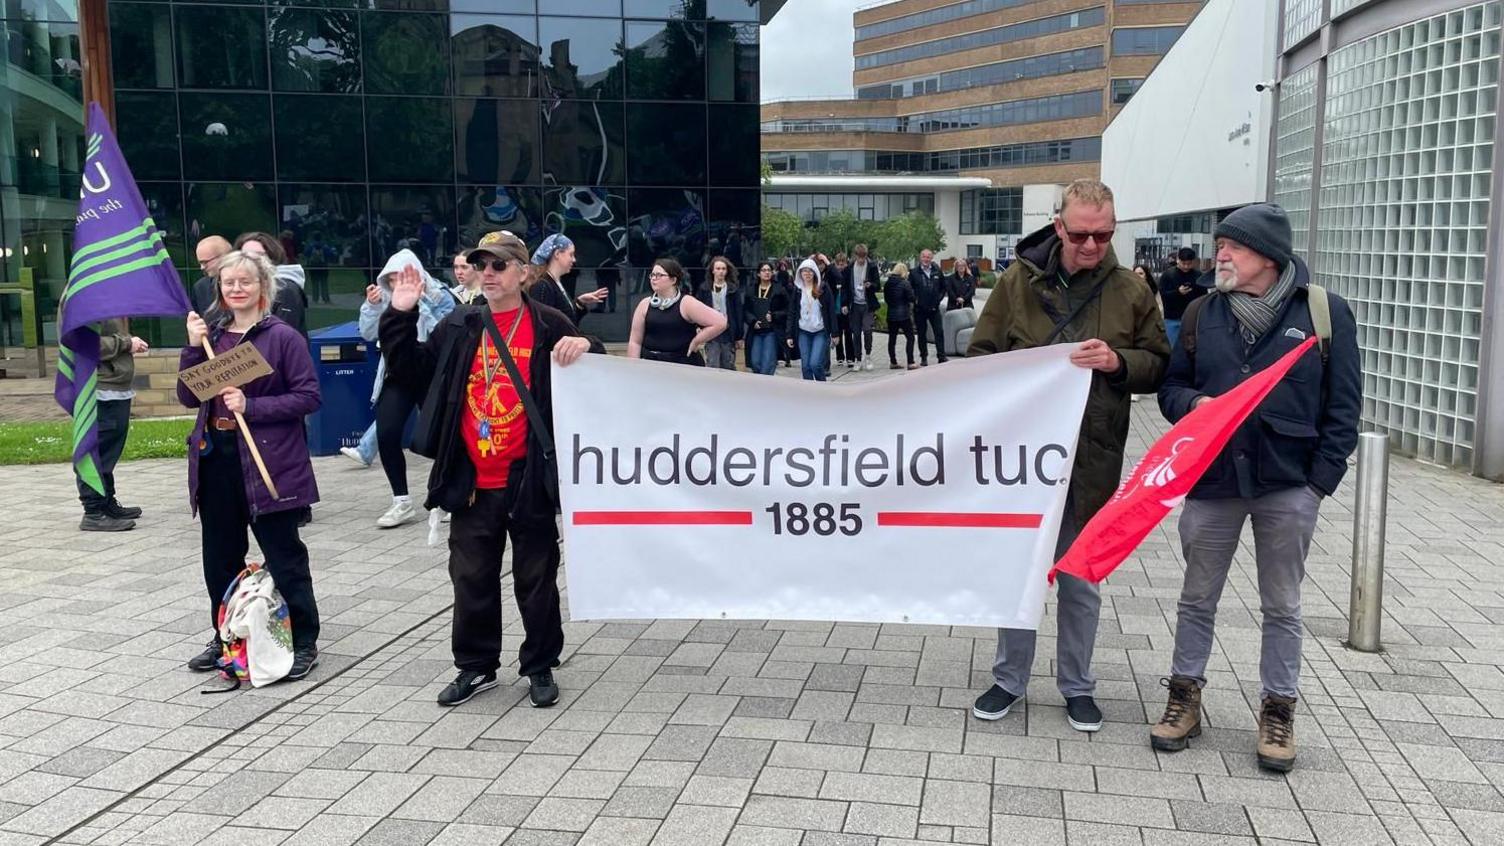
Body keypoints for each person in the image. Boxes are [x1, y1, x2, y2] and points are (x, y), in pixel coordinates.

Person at [1152, 203, 1360, 772]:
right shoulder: (1201, 314)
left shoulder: (1324, 314)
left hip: (1287, 484)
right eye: (1220, 245)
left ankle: (1278, 711)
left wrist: (1318, 485)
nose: (1221, 254)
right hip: (1214, 482)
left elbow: (1343, 411)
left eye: (1234, 247)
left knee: (1282, 605)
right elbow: (1172, 389)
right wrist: (1193, 404)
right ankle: (1184, 699)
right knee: (1196, 598)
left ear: (1268, 257)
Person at [966, 179, 1170, 732]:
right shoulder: (1017, 283)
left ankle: (1077, 685)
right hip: (1025, 463)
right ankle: (1009, 679)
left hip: (1092, 458)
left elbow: (1159, 363)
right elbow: (980, 357)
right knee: (1021, 575)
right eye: (1080, 234)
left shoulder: (1129, 290)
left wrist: (1118, 361)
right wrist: (1036, 368)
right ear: (1059, 226)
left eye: (1103, 235)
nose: (1091, 246)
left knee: (1081, 579)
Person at [378, 231, 594, 708]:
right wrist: (400, 314)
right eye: (483, 265)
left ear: (523, 272)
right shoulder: (460, 324)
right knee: (471, 577)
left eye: (500, 265)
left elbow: (591, 369)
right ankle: (476, 666)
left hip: (527, 477)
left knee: (536, 578)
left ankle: (539, 664)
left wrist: (583, 342)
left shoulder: (547, 322)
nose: (490, 274)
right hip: (471, 477)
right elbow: (411, 370)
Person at [179, 251, 322, 681]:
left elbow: (309, 396)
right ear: (218, 290)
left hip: (268, 462)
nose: (236, 288)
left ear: (263, 286)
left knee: (283, 554)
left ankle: (303, 640)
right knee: (220, 557)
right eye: (228, 282)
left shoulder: (282, 338)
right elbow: (190, 397)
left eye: (245, 281)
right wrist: (190, 348)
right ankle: (227, 637)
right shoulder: (213, 337)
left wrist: (252, 405)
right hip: (216, 458)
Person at [342, 250, 456, 530]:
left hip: (431, 371)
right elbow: (368, 334)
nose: (397, 285)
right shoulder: (384, 298)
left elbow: (447, 332)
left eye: (402, 278)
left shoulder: (440, 295)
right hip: (397, 371)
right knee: (388, 433)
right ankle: (401, 500)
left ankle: (447, 493)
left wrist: (419, 303)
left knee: (442, 433)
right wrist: (372, 307)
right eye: (391, 279)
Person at [74, 319, 148, 532]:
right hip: (99, 387)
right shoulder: (85, 297)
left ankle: (106, 502)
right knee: (98, 450)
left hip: (113, 386)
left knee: (109, 450)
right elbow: (82, 343)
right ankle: (93, 512)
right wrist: (126, 343)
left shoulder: (104, 295)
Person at [628, 258, 727, 365]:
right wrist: (633, 367)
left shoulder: (686, 303)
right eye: (652, 275)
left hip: (682, 364)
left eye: (659, 275)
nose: (653, 279)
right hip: (652, 363)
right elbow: (635, 342)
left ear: (673, 280)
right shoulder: (644, 304)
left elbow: (720, 322)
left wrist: (697, 341)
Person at [525, 233, 608, 327]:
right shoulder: (542, 286)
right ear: (557, 254)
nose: (574, 260)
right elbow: (543, 326)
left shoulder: (554, 283)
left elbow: (567, 320)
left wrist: (580, 303)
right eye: (571, 254)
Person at [235, 232, 309, 337]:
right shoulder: (246, 288)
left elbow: (284, 338)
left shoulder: (284, 289)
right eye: (245, 255)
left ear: (272, 256)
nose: (252, 260)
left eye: (259, 255)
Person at [786, 257, 836, 381]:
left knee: (815, 364)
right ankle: (809, 393)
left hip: (820, 331)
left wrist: (835, 333)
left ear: (814, 272)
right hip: (803, 332)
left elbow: (831, 311)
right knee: (806, 366)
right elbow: (792, 313)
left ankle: (821, 388)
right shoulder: (797, 290)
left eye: (810, 271)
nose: (807, 274)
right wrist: (789, 335)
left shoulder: (822, 288)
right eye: (804, 271)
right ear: (800, 273)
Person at [695, 256, 743, 370]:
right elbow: (698, 309)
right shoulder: (704, 288)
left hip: (728, 332)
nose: (721, 271)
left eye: (723, 269)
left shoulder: (733, 289)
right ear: (713, 270)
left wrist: (739, 336)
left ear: (727, 271)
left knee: (728, 365)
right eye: (718, 268)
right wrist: (698, 326)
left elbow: (738, 312)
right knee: (712, 363)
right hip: (711, 332)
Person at [744, 261, 788, 376]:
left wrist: (774, 315)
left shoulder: (779, 290)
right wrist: (752, 321)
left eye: (769, 270)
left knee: (767, 363)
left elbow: (787, 310)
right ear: (758, 274)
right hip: (756, 331)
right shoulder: (751, 290)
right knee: (755, 362)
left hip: (772, 331)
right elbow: (745, 310)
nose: (767, 273)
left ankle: (766, 386)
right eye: (763, 270)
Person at [1158, 247, 1206, 349]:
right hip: (1172, 317)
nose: (1186, 266)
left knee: (1192, 348)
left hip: (1192, 318)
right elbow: (1163, 295)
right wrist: (1178, 292)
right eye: (1183, 263)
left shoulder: (1198, 276)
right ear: (1178, 260)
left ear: (1193, 262)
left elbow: (1203, 297)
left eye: (1189, 264)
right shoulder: (1168, 275)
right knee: (1172, 348)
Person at [844, 244, 880, 370]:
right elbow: (845, 288)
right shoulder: (849, 268)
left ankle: (868, 356)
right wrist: (844, 304)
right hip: (854, 305)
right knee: (856, 333)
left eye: (863, 256)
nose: (861, 259)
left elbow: (878, 286)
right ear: (855, 255)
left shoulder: (872, 266)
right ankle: (857, 359)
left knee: (868, 331)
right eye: (859, 257)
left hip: (867, 304)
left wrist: (871, 285)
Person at [910, 249, 947, 365]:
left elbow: (943, 288)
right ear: (920, 258)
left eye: (928, 257)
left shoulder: (937, 271)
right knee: (921, 334)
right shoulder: (914, 272)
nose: (926, 259)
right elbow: (909, 289)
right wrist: (915, 300)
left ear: (931, 258)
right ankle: (924, 357)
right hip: (920, 309)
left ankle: (941, 356)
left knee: (939, 332)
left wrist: (938, 299)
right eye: (924, 257)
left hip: (934, 309)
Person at [883, 262, 917, 370]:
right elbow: (911, 297)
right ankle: (910, 362)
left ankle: (893, 361)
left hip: (891, 314)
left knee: (892, 339)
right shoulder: (905, 283)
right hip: (903, 314)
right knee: (910, 337)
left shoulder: (888, 283)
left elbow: (886, 299)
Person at [190, 236, 233, 316]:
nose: (202, 267)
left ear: (225, 256)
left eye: (205, 262)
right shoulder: (200, 288)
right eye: (200, 263)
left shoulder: (251, 283)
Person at [829, 253, 850, 367]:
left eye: (843, 264)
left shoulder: (848, 273)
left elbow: (849, 291)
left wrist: (846, 304)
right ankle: (840, 357)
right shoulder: (832, 274)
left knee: (848, 333)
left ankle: (850, 357)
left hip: (844, 307)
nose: (841, 266)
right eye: (838, 264)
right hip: (835, 307)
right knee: (838, 333)